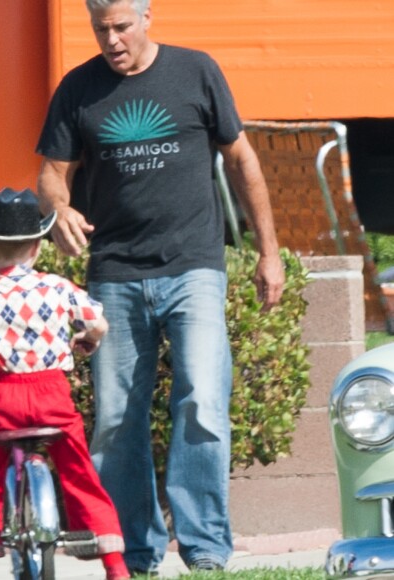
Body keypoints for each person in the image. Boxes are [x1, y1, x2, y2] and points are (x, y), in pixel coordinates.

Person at [35, 0, 285, 575]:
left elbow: (243, 161)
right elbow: (52, 173)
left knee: (201, 397)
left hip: (194, 264)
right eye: (102, 29)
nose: (113, 39)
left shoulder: (196, 71)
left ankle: (205, 551)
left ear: (147, 18)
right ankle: (138, 554)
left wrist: (268, 253)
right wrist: (60, 210)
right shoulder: (78, 88)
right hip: (115, 272)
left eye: (122, 26)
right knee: (118, 417)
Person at [0, 188, 131, 580]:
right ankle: (114, 564)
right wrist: (87, 338)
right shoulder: (57, 287)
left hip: (2, 396)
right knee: (78, 471)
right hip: (52, 392)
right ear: (37, 247)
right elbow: (98, 323)